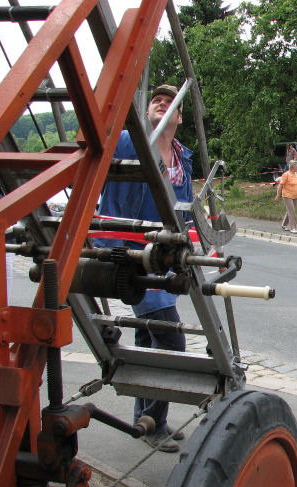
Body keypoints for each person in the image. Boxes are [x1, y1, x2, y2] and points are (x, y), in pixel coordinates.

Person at [97, 84, 193, 453]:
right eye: (156, 100)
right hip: (126, 249)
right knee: (170, 337)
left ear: (179, 117)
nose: (162, 104)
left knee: (146, 334)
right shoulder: (127, 141)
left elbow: (182, 205)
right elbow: (95, 151)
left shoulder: (182, 157)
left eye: (170, 103)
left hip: (163, 253)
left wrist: (193, 239)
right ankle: (156, 423)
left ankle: (146, 417)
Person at [275, 159, 297, 233]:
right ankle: (293, 228)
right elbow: (280, 186)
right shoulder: (286, 174)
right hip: (287, 195)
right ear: (293, 167)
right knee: (291, 211)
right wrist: (277, 195)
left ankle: (284, 224)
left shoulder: (296, 174)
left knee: (290, 210)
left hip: (295, 195)